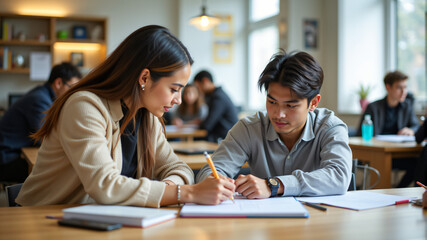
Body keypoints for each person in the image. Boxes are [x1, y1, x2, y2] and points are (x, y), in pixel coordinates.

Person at [16, 25, 235, 207]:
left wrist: (170, 188)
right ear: (145, 78)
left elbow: (179, 168)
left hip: (101, 221)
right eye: (174, 89)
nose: (178, 99)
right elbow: (104, 186)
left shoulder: (147, 117)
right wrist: (184, 193)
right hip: (42, 221)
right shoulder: (84, 106)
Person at [196, 51, 352, 198]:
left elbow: (339, 176)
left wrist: (275, 185)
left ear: (313, 103)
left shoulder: (330, 127)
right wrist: (214, 182)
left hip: (319, 221)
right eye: (272, 102)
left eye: (290, 106)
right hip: (263, 221)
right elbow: (211, 171)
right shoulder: (249, 128)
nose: (279, 114)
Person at [0, 62, 81, 183]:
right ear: (58, 83)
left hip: (13, 153)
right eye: (72, 88)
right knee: (60, 173)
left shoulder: (43, 95)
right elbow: (45, 139)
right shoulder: (40, 100)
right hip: (6, 159)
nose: (73, 94)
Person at [357, 70, 420, 187]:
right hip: (377, 153)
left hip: (397, 153)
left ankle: (398, 190)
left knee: (419, 164)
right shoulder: (373, 107)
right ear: (388, 87)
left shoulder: (407, 106)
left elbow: (415, 125)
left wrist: (411, 130)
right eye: (399, 88)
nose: (404, 92)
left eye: (405, 88)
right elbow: (360, 133)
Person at [193, 70, 238, 142]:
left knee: (196, 140)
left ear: (205, 81)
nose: (199, 91)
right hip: (222, 137)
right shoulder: (216, 95)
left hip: (224, 139)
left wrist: (200, 123)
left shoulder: (218, 98)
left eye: (198, 87)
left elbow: (207, 125)